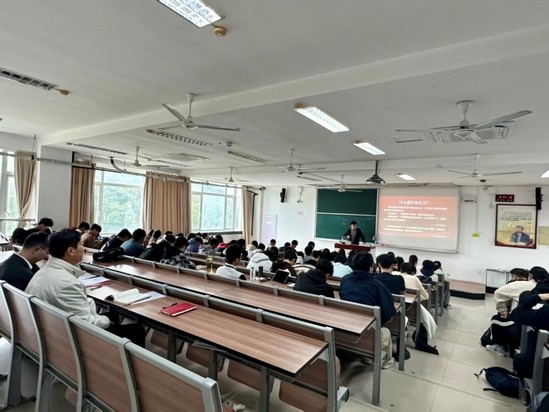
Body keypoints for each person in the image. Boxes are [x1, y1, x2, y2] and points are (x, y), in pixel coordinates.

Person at [26, 229, 145, 346]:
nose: (83, 248)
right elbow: (87, 323)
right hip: (68, 340)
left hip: (50, 329)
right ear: (71, 251)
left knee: (112, 316)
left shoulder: (43, 272)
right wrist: (106, 320)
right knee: (136, 329)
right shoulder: (68, 283)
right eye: (81, 244)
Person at [340, 252, 396, 369]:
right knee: (385, 331)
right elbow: (389, 311)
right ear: (371, 267)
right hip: (367, 332)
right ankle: (386, 361)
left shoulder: (345, 280)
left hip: (345, 325)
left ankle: (366, 355)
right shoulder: (377, 285)